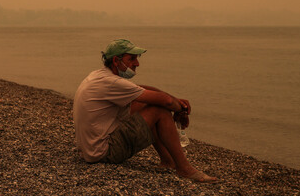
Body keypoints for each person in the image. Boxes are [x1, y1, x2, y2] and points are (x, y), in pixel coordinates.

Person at [73, 39, 219, 183]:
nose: (137, 63)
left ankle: (168, 161)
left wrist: (176, 100)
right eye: (131, 59)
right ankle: (185, 168)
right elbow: (165, 101)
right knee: (159, 110)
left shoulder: (99, 76)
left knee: (147, 103)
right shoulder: (112, 82)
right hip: (104, 152)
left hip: (90, 150)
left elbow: (144, 91)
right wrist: (182, 109)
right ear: (116, 61)